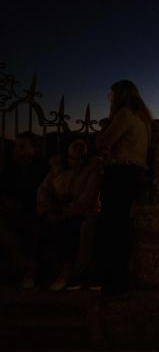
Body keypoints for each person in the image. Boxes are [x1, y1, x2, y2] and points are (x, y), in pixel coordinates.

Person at [96, 79, 151, 295]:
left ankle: (113, 282)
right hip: (134, 175)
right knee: (122, 226)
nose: (110, 99)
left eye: (112, 95)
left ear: (119, 95)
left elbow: (102, 143)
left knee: (112, 227)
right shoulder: (142, 119)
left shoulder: (125, 114)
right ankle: (121, 280)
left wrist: (104, 126)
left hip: (120, 174)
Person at [36, 139, 101, 291]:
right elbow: (44, 191)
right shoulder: (57, 169)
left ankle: (68, 273)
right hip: (58, 210)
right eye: (74, 148)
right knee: (43, 227)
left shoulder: (93, 169)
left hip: (80, 213)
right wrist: (48, 209)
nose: (78, 152)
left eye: (82, 148)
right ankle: (40, 272)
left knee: (71, 228)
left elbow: (88, 196)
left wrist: (67, 212)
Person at [0, 132, 49, 288]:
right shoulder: (10, 168)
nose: (16, 150)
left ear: (34, 149)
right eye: (16, 146)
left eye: (22, 146)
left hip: (35, 212)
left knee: (29, 232)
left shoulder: (42, 168)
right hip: (13, 212)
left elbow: (43, 194)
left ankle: (28, 272)